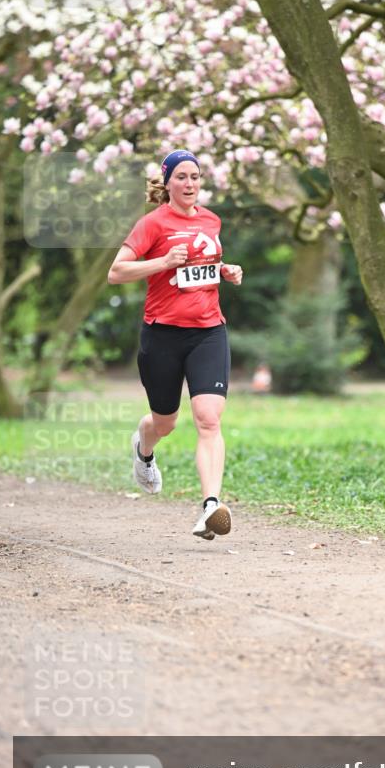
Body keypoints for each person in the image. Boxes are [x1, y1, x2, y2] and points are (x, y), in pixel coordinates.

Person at [107, 148, 243, 540]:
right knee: (164, 422)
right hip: (162, 334)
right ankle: (144, 451)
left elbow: (205, 262)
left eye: (195, 177)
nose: (189, 184)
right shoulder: (152, 224)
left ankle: (211, 507)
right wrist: (163, 262)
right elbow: (117, 272)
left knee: (209, 418)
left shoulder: (211, 221)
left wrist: (225, 269)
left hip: (208, 332)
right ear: (167, 183)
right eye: (181, 177)